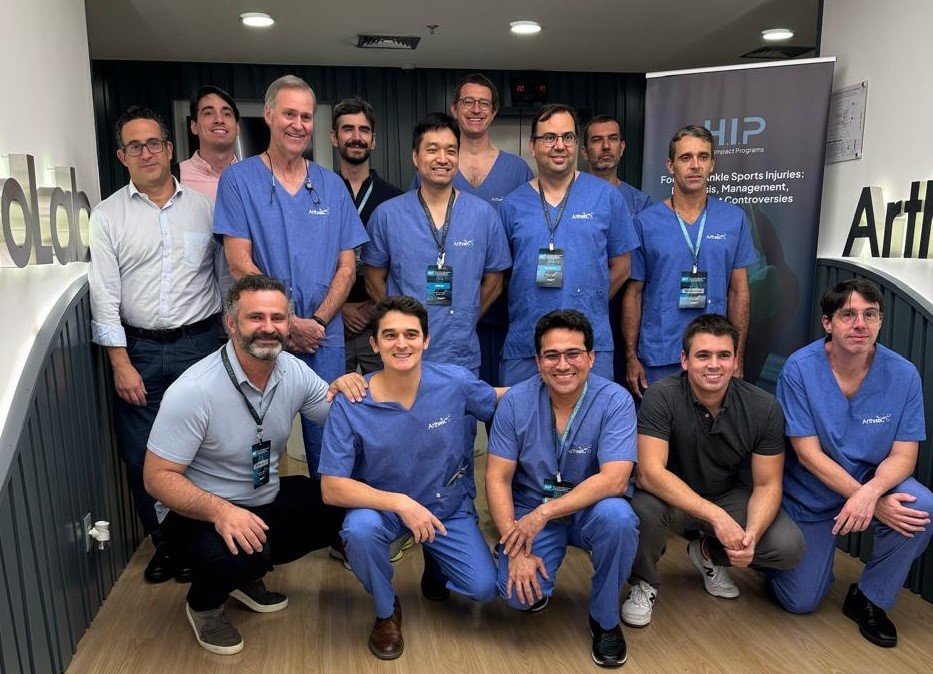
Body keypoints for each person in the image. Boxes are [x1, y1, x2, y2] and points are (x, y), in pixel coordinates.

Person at [143, 274, 358, 655]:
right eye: (256, 317)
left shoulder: (292, 370)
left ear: (289, 324)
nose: (268, 328)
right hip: (196, 513)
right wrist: (221, 511)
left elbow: (337, 416)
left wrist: (350, 391)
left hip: (261, 497)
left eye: (278, 318)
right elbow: (156, 478)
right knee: (242, 552)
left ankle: (245, 575)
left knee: (335, 503)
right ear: (230, 323)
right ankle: (204, 605)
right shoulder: (194, 390)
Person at [319, 296, 502, 660]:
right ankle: (386, 610)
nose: (401, 344)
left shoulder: (455, 382)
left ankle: (437, 563)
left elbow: (499, 399)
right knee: (359, 531)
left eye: (411, 334)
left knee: (484, 589)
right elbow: (332, 488)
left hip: (445, 507)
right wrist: (400, 503)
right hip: (384, 510)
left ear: (426, 340)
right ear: (374, 344)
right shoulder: (352, 401)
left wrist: (560, 382)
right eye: (389, 335)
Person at [89, 105, 222, 585]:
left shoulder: (205, 209)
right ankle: (168, 545)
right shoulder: (107, 216)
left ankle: (205, 540)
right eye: (135, 146)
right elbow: (104, 296)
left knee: (205, 450)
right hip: (139, 353)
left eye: (153, 144)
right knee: (142, 455)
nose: (146, 153)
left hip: (200, 346)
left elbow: (225, 278)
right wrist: (120, 362)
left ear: (169, 149)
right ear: (122, 156)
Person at [214, 75, 369, 478]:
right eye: (289, 114)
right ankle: (258, 516)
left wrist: (315, 321)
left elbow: (347, 266)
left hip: (323, 335)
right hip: (264, 333)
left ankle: (330, 517)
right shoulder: (238, 181)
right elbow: (239, 264)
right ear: (268, 115)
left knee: (329, 442)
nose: (298, 125)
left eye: (306, 116)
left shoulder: (331, 186)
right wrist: (287, 322)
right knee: (257, 440)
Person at [770, 279, 931, 648]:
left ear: (880, 321)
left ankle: (870, 597)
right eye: (848, 315)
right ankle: (776, 559)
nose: (861, 324)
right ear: (828, 323)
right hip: (812, 493)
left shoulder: (903, 374)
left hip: (872, 482)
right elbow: (807, 454)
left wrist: (871, 495)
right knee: (800, 601)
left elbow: (904, 455)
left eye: (870, 315)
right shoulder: (800, 369)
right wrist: (868, 498)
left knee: (920, 507)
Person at [623, 314, 803, 627]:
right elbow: (650, 473)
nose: (714, 365)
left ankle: (708, 553)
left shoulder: (764, 407)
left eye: (723, 355)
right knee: (642, 509)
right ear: (684, 360)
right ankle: (644, 582)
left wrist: (751, 535)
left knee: (787, 546)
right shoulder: (661, 396)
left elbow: (768, 485)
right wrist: (717, 518)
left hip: (726, 494)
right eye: (703, 355)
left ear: (736, 361)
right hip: (670, 498)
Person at [486, 309, 638, 668]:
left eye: (573, 353)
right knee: (518, 597)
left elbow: (615, 479)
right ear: (538, 361)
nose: (563, 365)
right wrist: (514, 546)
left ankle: (605, 619)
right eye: (551, 355)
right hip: (530, 507)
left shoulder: (615, 400)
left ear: (591, 357)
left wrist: (546, 512)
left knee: (619, 518)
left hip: (590, 508)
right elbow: (497, 478)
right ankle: (521, 563)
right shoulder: (515, 402)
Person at [498, 104, 638, 385]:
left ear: (576, 144)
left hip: (589, 343)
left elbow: (622, 267)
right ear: (533, 146)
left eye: (568, 137)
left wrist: (587, 300)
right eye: (549, 137)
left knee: (592, 413)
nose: (559, 146)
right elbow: (501, 275)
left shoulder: (607, 198)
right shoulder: (512, 205)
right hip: (526, 345)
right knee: (522, 413)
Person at [412, 73, 533, 390]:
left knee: (497, 398)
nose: (476, 109)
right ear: (454, 108)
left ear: (494, 112)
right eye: (468, 101)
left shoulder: (517, 170)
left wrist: (471, 312)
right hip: (441, 315)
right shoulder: (433, 167)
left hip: (502, 310)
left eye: (484, 103)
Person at [623, 124, 755, 399]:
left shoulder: (734, 219)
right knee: (660, 424)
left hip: (714, 356)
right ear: (670, 166)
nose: (695, 165)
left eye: (703, 157)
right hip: (660, 354)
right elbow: (633, 294)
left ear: (712, 164)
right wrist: (631, 357)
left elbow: (739, 291)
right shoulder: (645, 223)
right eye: (685, 157)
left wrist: (737, 356)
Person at [331, 96, 403, 376]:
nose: (356, 137)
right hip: (331, 321)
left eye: (364, 130)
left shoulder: (395, 198)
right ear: (334, 137)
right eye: (348, 129)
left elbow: (402, 262)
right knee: (333, 397)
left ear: (374, 140)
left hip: (379, 321)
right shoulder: (318, 193)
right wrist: (340, 308)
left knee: (386, 396)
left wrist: (376, 307)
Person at [581, 114, 652, 217]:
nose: (606, 146)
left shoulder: (640, 204)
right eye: (597, 140)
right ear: (585, 152)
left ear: (622, 148)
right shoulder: (568, 197)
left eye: (613, 139)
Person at [179, 85, 240, 200]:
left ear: (237, 128)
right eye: (208, 113)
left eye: (227, 114)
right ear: (194, 126)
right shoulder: (172, 179)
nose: (219, 120)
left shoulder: (256, 178)